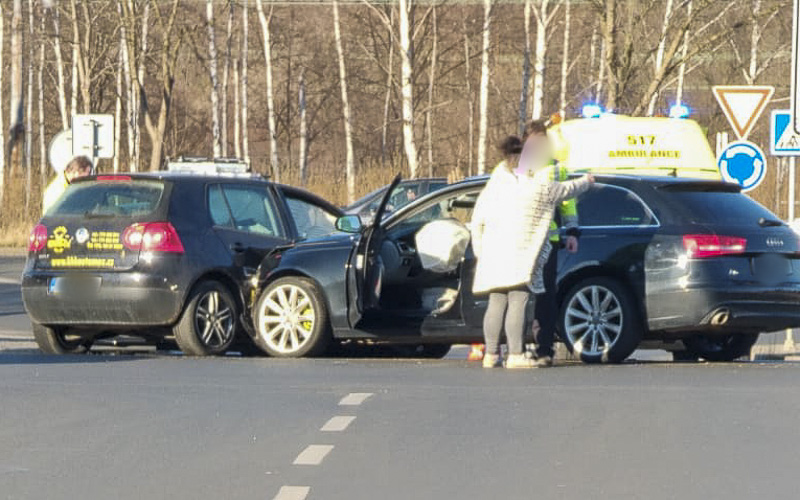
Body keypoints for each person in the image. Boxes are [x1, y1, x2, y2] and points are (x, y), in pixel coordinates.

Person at [470, 123, 593, 369]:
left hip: (496, 251)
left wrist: (479, 249)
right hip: (523, 252)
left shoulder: (499, 180)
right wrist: (587, 180)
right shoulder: (537, 183)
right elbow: (566, 191)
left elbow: (478, 215)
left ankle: (491, 354)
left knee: (497, 301)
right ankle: (515, 354)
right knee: (518, 300)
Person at [530, 120, 581, 367]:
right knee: (529, 296)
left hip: (543, 241)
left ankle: (543, 348)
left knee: (542, 296)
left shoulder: (554, 169)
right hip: (529, 240)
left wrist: (572, 231)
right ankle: (534, 347)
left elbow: (568, 203)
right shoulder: (522, 167)